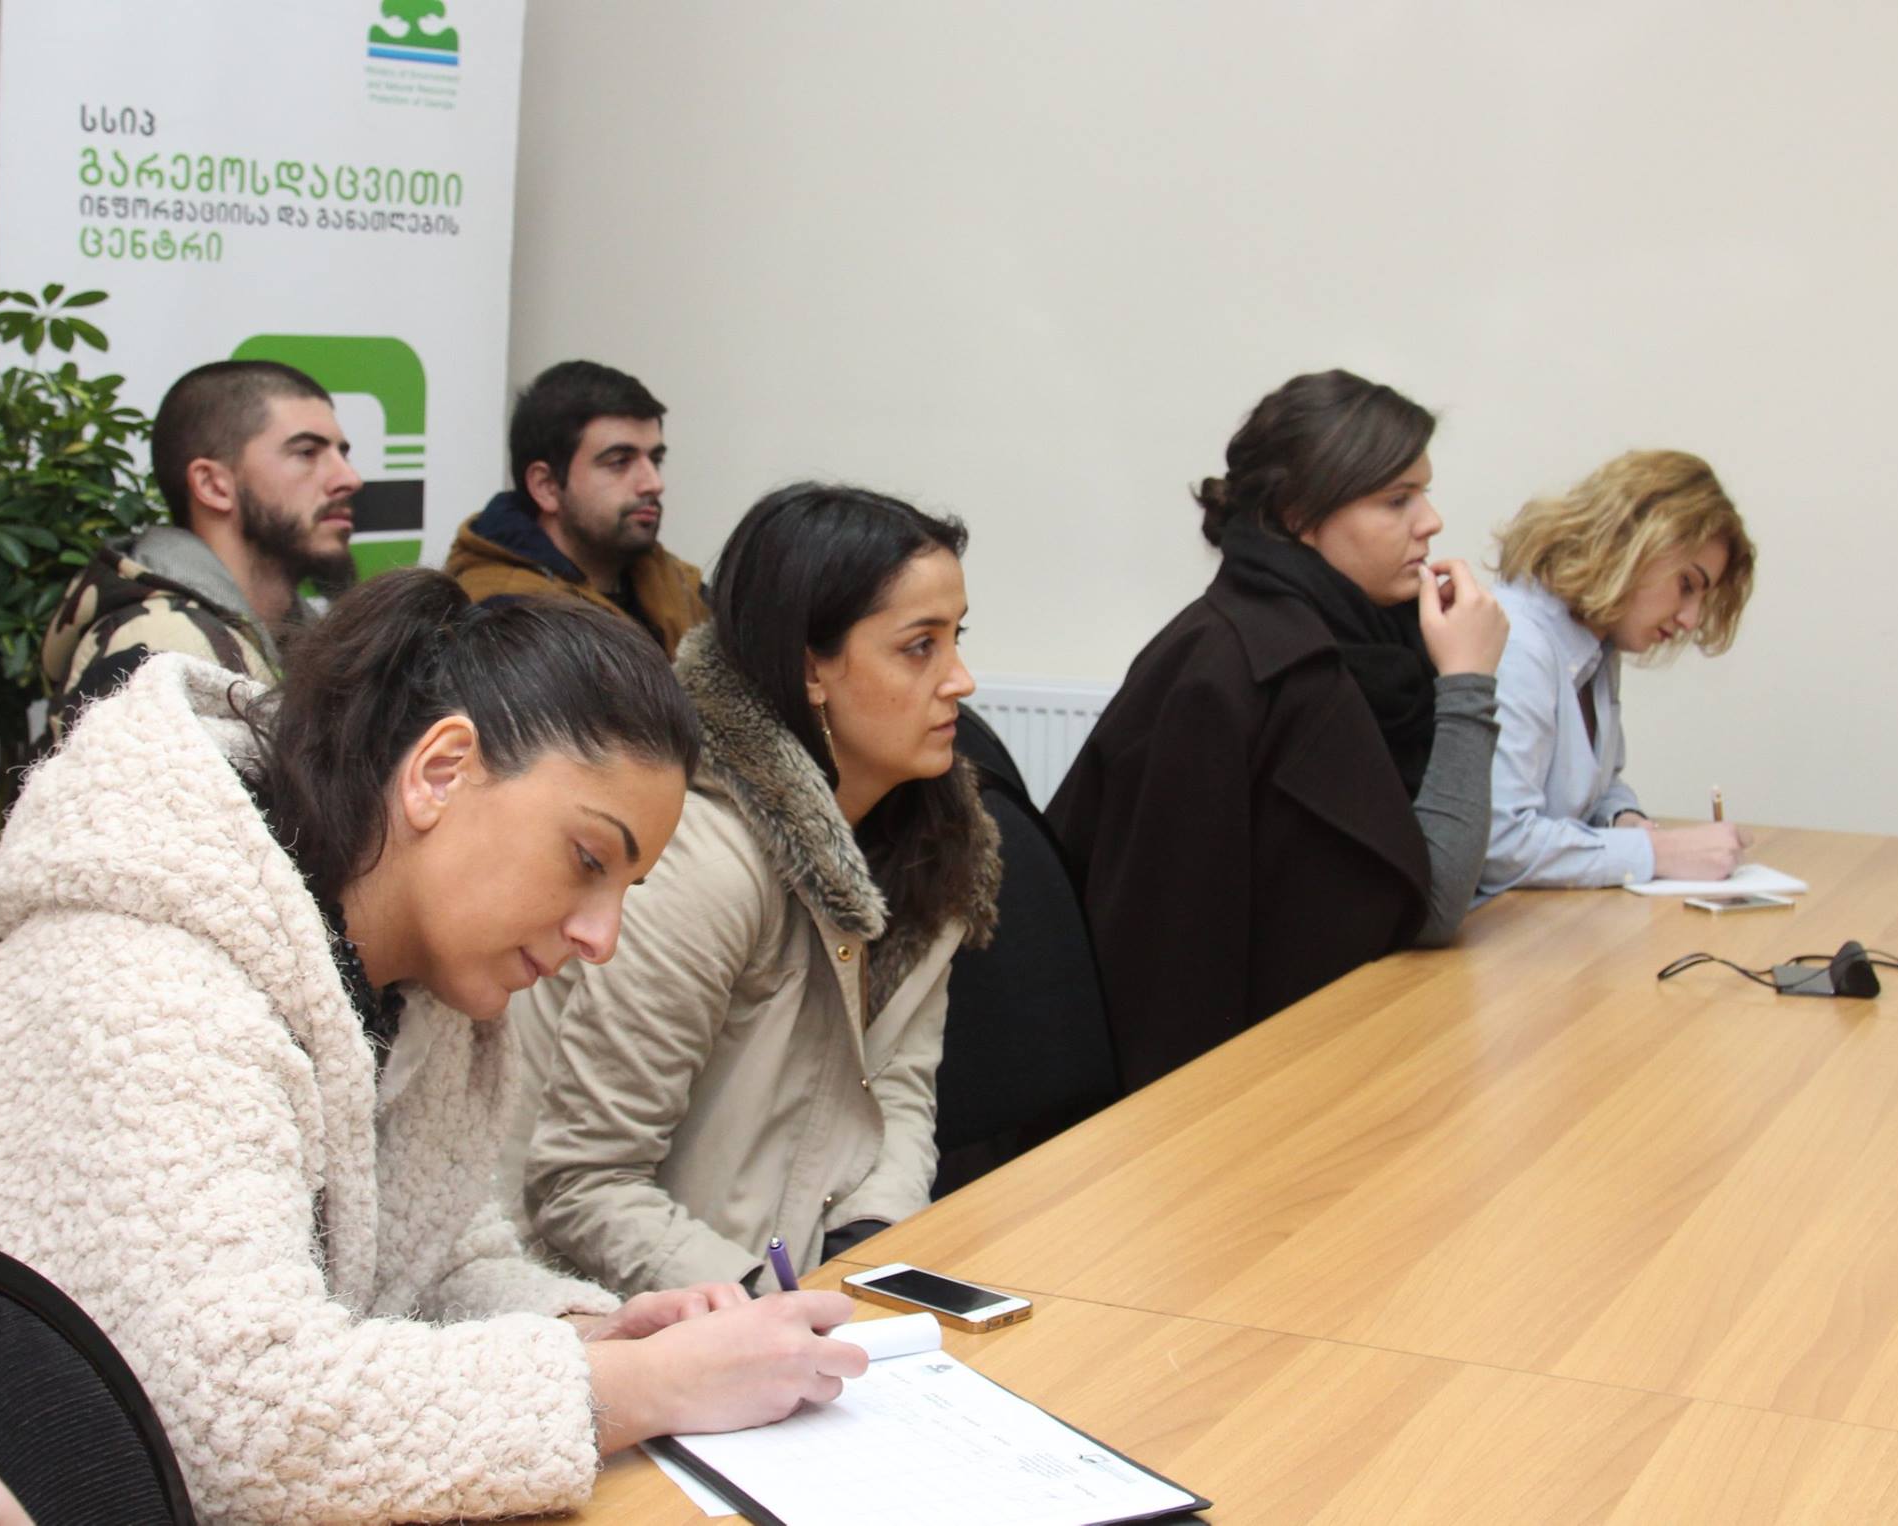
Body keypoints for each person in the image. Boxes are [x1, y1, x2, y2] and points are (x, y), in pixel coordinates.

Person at [0, 570, 866, 1525]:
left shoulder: (418, 990)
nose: (600, 936)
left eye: (624, 889)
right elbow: (240, 1424)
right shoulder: (141, 985)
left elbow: (434, 1266)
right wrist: (635, 1385)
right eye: (585, 860)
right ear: (440, 772)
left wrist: (586, 1330)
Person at [516, 483, 1000, 1296]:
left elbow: (897, 1093)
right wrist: (763, 1307)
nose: (962, 680)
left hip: (793, 1288)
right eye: (921, 646)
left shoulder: (931, 844)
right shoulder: (702, 862)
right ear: (811, 668)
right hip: (636, 1312)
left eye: (957, 638)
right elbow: (580, 1184)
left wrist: (869, 1251)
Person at [1047, 369, 1508, 1094]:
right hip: (1226, 1089)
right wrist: (1469, 685)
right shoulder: (1246, 665)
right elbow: (1430, 904)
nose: (1431, 521)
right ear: (1298, 514)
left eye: (1423, 493)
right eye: (1397, 499)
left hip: (1332, 1042)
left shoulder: (1370, 640)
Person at [1480, 449, 1756, 893]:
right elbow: (1499, 844)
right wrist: (1659, 853)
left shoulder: (1597, 641)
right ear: (1630, 545)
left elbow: (1596, 788)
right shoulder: (1518, 644)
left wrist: (1624, 819)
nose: (1690, 619)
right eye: (1687, 584)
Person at [42, 359, 361, 734]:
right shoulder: (164, 651)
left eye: (342, 453)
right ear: (212, 485)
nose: (349, 478)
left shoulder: (298, 636)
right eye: (307, 452)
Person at [445, 359, 708, 656]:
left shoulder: (674, 580)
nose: (654, 483)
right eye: (620, 462)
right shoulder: (507, 616)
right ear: (546, 486)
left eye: (655, 460)